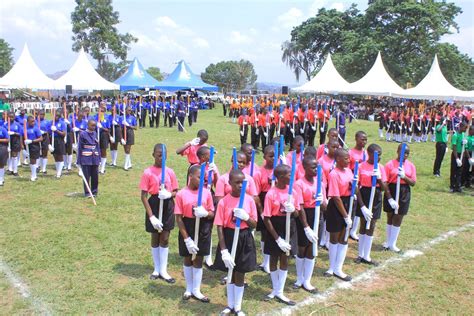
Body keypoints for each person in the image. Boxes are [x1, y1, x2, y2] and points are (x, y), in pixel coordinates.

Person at [213, 169, 257, 316]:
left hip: (244, 237)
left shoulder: (249, 200)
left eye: (242, 182)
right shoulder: (223, 202)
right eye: (237, 183)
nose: (240, 185)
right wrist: (224, 250)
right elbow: (219, 226)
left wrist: (245, 217)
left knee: (240, 272)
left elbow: (254, 224)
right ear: (229, 183)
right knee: (230, 272)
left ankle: (237, 307)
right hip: (229, 237)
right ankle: (229, 305)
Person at [175, 164, 214, 302]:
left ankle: (196, 290)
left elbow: (212, 213)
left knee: (198, 258)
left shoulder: (206, 193)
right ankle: (188, 288)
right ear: (190, 177)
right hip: (188, 226)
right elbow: (178, 218)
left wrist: (205, 213)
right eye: (199, 177)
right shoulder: (181, 194)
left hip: (202, 227)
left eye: (204, 178)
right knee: (187, 257)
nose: (202, 180)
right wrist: (187, 239)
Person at [139, 144, 179, 282]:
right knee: (155, 236)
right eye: (158, 154)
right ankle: (156, 268)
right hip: (154, 204)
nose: (161, 157)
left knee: (165, 237)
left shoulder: (170, 172)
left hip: (167, 204)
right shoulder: (148, 172)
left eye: (164, 155)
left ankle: (164, 269)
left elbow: (176, 191)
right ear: (153, 155)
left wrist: (169, 194)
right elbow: (143, 196)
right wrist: (151, 217)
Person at [355, 144, 397, 265]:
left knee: (372, 224)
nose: (379, 158)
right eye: (376, 155)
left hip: (376, 196)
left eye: (380, 156)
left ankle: (367, 256)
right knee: (363, 224)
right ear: (369, 154)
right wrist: (362, 206)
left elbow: (384, 188)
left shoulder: (381, 168)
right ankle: (360, 254)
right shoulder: (361, 166)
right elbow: (356, 187)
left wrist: (378, 178)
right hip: (364, 195)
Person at [263, 164, 299, 305]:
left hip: (288, 226)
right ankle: (274, 288)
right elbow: (266, 218)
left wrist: (293, 210)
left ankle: (280, 291)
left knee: (285, 257)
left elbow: (296, 213)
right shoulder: (271, 194)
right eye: (289, 175)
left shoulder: (293, 192)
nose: (291, 177)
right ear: (280, 177)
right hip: (275, 228)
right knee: (274, 258)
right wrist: (277, 239)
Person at [293, 156, 327, 293]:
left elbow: (325, 207)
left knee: (312, 249)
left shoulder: (321, 184)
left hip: (317, 216)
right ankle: (299, 278)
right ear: (304, 168)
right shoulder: (299, 184)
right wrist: (306, 227)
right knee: (302, 248)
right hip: (304, 218)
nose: (316, 169)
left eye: (317, 167)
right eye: (313, 167)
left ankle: (307, 280)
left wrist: (323, 200)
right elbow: (300, 207)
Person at [324, 148, 353, 281]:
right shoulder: (334, 174)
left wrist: (355, 185)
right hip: (337, 207)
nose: (349, 160)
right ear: (338, 160)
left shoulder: (349, 171)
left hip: (348, 203)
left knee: (344, 237)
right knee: (334, 237)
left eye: (349, 158)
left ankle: (338, 268)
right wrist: (345, 216)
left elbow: (352, 190)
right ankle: (332, 267)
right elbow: (335, 197)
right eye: (346, 158)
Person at [383, 143, 417, 252]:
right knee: (390, 216)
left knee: (398, 217)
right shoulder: (389, 165)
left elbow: (413, 183)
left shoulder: (411, 166)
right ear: (397, 151)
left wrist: (404, 176)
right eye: (403, 153)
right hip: (391, 190)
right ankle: (388, 241)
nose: (405, 155)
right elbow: (385, 182)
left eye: (407, 153)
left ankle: (393, 243)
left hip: (404, 191)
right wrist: (389, 198)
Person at [348, 131, 368, 240]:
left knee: (359, 208)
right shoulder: (350, 153)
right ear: (356, 139)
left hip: (362, 184)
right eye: (362, 139)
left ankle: (354, 230)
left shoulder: (366, 153)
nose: (364, 142)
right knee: (352, 206)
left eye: (365, 140)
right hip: (352, 183)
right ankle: (349, 228)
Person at [76, 119, 100, 196]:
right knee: (86, 176)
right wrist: (79, 161)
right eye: (92, 125)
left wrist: (99, 158)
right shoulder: (82, 134)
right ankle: (87, 192)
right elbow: (80, 147)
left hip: (94, 157)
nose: (93, 127)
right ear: (88, 125)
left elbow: (97, 146)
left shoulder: (95, 133)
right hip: (86, 157)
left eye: (94, 125)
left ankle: (94, 191)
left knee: (95, 176)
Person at [24, 116, 43, 182]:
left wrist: (32, 141)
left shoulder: (36, 128)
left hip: (34, 146)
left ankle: (34, 175)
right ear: (28, 122)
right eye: (31, 121)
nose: (33, 123)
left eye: (34, 121)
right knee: (31, 161)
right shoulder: (25, 128)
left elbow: (41, 138)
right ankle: (33, 175)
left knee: (33, 161)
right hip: (28, 146)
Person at [449, 122, 467, 193]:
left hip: (462, 154)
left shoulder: (463, 135)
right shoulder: (455, 135)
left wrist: (464, 143)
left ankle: (458, 186)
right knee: (453, 171)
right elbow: (454, 147)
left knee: (460, 171)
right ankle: (452, 186)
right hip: (455, 154)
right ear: (461, 127)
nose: (466, 129)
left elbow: (464, 147)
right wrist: (457, 158)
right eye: (465, 128)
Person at [50, 111, 67, 179]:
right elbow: (48, 132)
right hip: (53, 140)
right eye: (55, 116)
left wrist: (56, 130)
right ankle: (58, 171)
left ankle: (59, 173)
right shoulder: (51, 122)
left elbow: (64, 134)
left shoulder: (62, 123)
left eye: (57, 116)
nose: (56, 117)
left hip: (60, 140)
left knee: (60, 156)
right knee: (55, 156)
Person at [121, 106, 137, 171]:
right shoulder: (122, 117)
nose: (129, 111)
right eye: (128, 110)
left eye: (130, 110)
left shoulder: (132, 118)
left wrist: (128, 125)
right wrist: (121, 137)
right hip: (123, 133)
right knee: (125, 149)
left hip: (130, 133)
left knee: (128, 149)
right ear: (125, 110)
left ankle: (125, 165)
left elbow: (135, 127)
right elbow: (120, 128)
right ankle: (129, 163)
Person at [6, 112, 21, 176]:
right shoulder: (5, 125)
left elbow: (20, 133)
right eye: (9, 117)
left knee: (14, 155)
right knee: (8, 155)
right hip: (8, 141)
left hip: (15, 140)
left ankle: (15, 171)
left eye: (12, 117)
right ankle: (10, 169)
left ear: (14, 117)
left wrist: (13, 133)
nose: (11, 118)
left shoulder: (17, 124)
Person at [37, 110, 51, 174]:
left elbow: (49, 131)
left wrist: (44, 132)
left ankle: (44, 169)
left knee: (44, 153)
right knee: (39, 153)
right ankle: (39, 166)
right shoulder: (35, 121)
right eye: (40, 114)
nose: (41, 116)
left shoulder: (47, 122)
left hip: (45, 137)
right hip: (38, 138)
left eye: (42, 114)